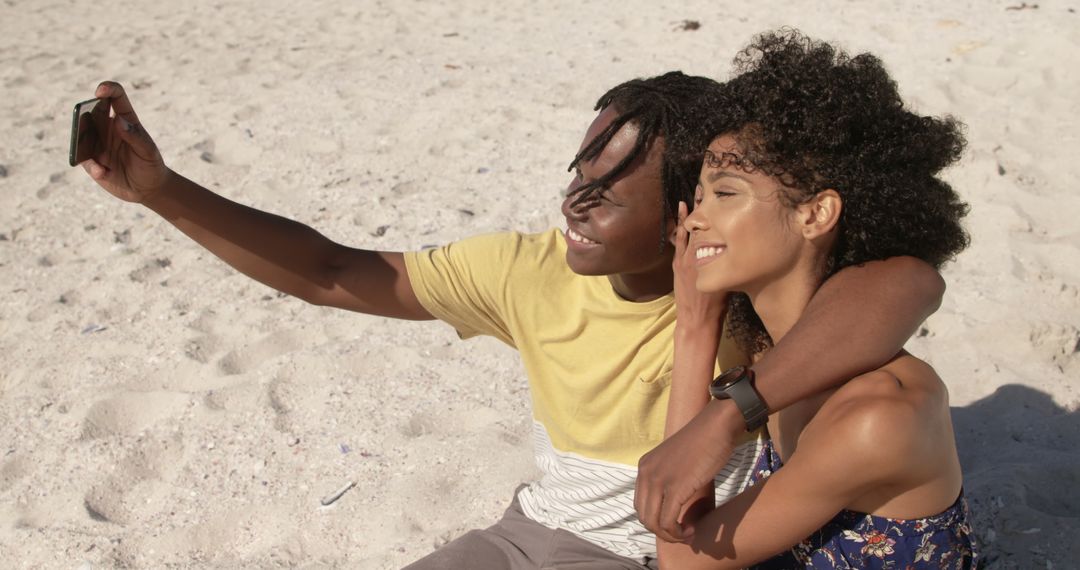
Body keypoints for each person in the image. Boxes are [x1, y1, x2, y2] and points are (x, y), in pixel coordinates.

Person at [80, 70, 944, 569]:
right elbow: (333, 271)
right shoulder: (526, 271)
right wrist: (163, 193)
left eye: (612, 186)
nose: (577, 197)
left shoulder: (749, 283)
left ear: (687, 214)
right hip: (529, 529)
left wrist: (727, 400)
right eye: (580, 166)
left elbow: (904, 284)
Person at [650, 30, 979, 569]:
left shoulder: (875, 415)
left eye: (727, 192)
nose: (699, 216)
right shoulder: (768, 351)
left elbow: (684, 560)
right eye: (702, 193)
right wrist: (698, 320)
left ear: (815, 214)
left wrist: (694, 332)